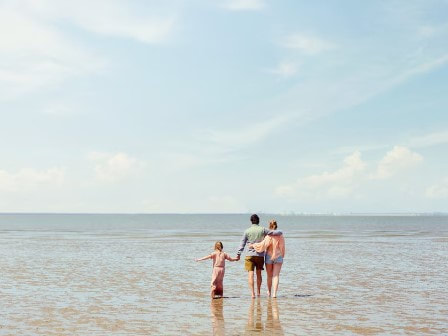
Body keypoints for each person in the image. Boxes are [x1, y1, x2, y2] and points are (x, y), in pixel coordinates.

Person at [236, 214, 282, 298]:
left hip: (249, 255)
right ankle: (259, 292)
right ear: (258, 221)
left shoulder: (247, 231)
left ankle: (252, 294)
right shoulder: (263, 229)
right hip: (260, 255)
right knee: (259, 274)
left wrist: (238, 254)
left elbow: (242, 243)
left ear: (251, 221)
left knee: (250, 274)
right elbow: (273, 232)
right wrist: (280, 231)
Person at [249, 220, 285, 298]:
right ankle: (274, 294)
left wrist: (253, 245)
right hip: (278, 257)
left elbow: (263, 245)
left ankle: (269, 291)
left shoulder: (268, 236)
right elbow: (282, 247)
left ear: (269, 226)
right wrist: (282, 255)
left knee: (269, 276)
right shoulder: (280, 235)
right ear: (276, 225)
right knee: (276, 276)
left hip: (269, 256)